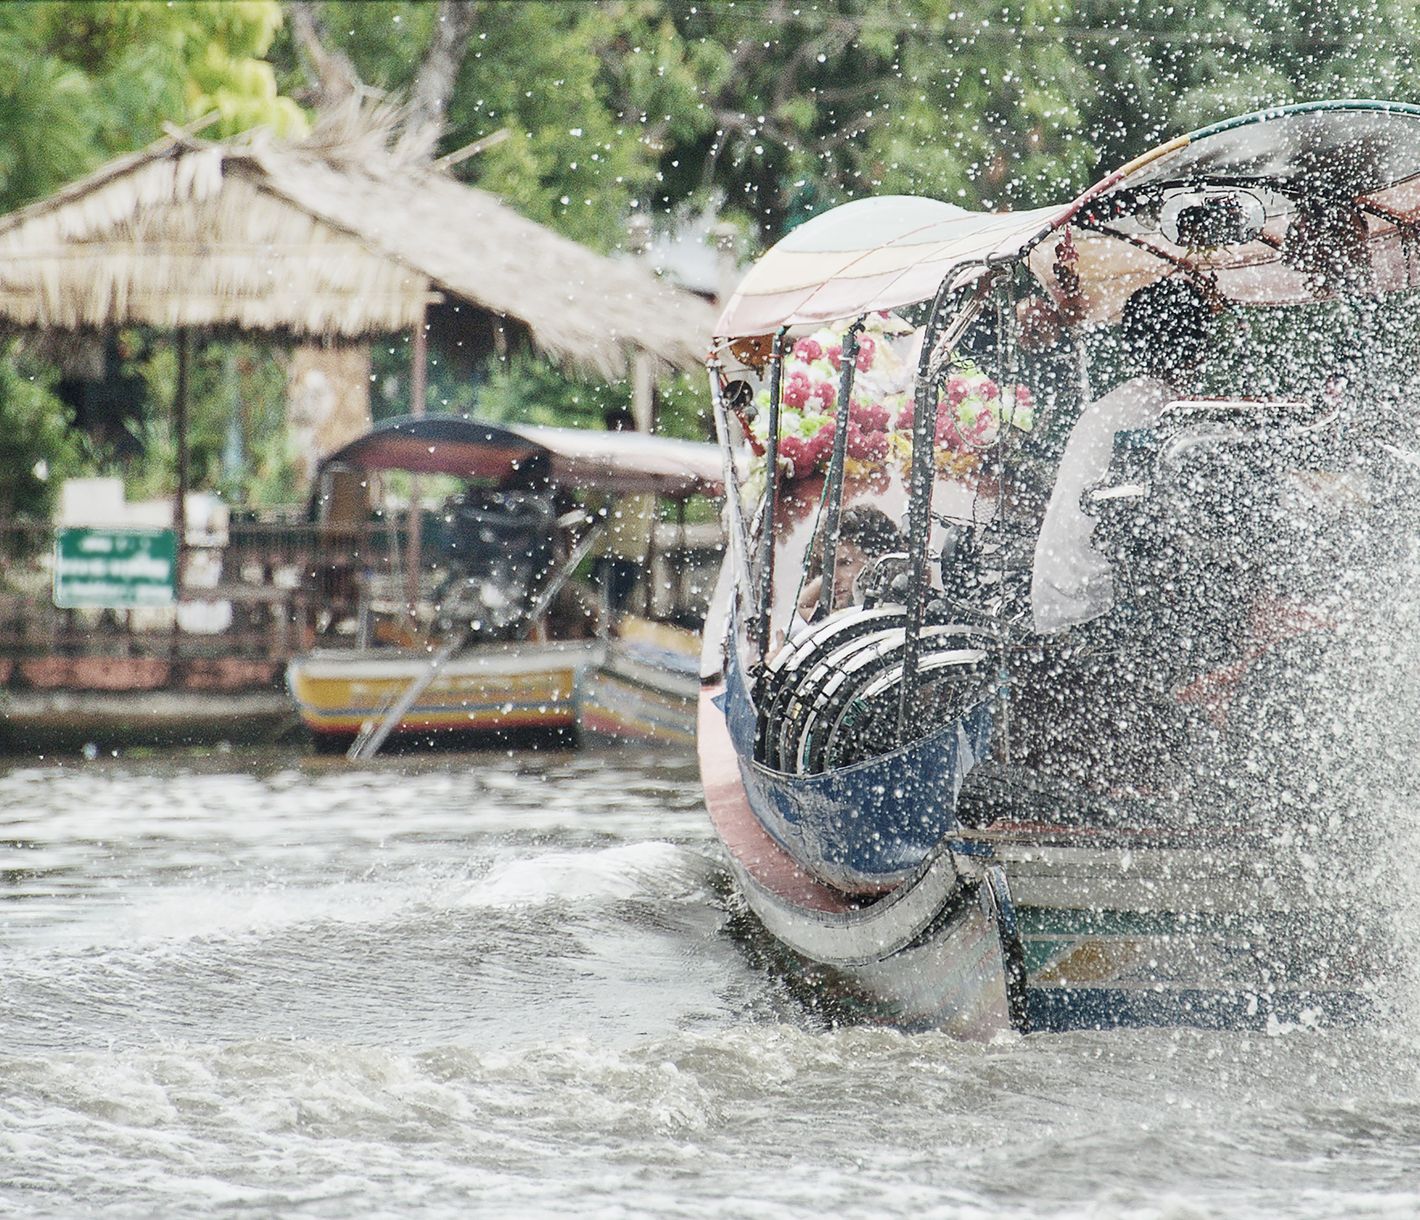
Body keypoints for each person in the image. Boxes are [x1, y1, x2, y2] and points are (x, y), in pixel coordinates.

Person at [1030, 277, 1211, 633]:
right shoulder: (1157, 412)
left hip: (1065, 583)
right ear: (1199, 348)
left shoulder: (1122, 404)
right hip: (1095, 593)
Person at [788, 504, 904, 639]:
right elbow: (805, 606)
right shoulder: (831, 623)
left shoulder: (905, 617)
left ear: (877, 561)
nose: (834, 580)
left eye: (845, 563)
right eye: (826, 570)